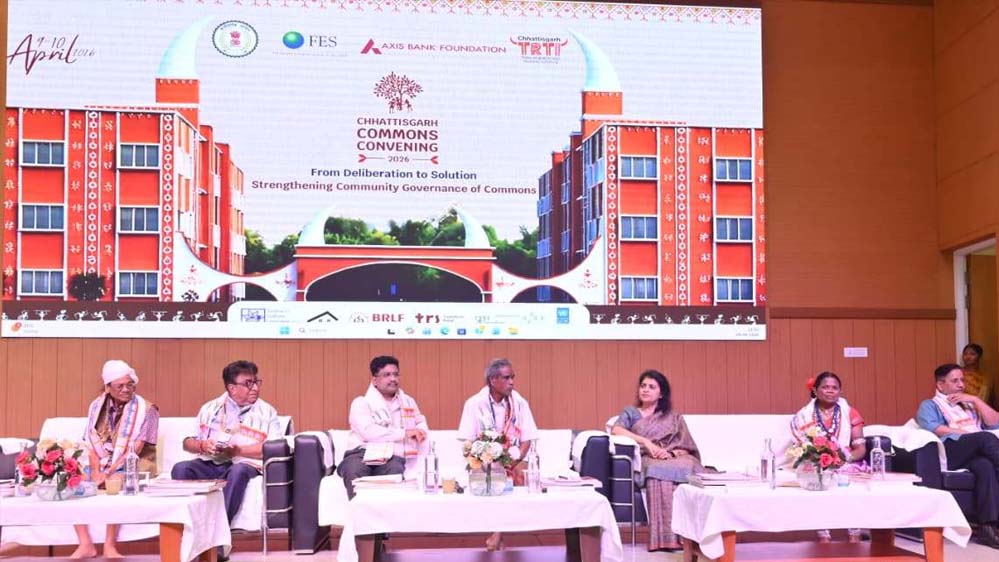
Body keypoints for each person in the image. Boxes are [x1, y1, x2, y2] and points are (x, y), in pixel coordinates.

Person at [172, 360, 282, 526]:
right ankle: (189, 526)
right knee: (181, 468)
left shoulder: (267, 412)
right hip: (212, 462)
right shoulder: (210, 408)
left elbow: (275, 448)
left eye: (256, 382)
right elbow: (187, 443)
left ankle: (220, 530)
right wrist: (202, 446)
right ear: (232, 388)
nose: (255, 388)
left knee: (237, 471)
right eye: (248, 383)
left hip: (246, 463)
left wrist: (238, 451)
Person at [72, 360, 159, 559]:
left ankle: (110, 545)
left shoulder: (149, 410)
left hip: (135, 461)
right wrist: (96, 471)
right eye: (120, 386)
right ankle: (85, 543)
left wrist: (107, 473)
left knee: (115, 481)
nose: (126, 389)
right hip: (103, 462)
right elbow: (91, 444)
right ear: (107, 387)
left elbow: (135, 451)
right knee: (74, 480)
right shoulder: (97, 406)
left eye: (130, 385)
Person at [611, 370, 701, 552]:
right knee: (655, 470)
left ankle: (690, 538)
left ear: (661, 394)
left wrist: (671, 453)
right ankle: (664, 539)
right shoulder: (631, 413)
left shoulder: (674, 417)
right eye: (643, 386)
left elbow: (687, 445)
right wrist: (646, 442)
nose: (645, 390)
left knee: (687, 466)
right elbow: (616, 430)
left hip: (674, 456)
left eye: (651, 387)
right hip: (648, 457)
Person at [457, 358, 539, 551]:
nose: (512, 382)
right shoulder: (475, 403)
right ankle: (498, 535)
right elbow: (467, 441)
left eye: (513, 377)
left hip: (514, 458)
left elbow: (528, 439)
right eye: (507, 378)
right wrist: (485, 457)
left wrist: (515, 460)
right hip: (483, 459)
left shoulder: (519, 403)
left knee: (517, 475)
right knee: (490, 476)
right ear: (493, 380)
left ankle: (496, 534)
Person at [916, 363, 999, 549]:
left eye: (962, 380)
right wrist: (970, 435)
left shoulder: (969, 405)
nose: (961, 384)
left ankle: (988, 528)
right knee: (985, 437)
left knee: (985, 466)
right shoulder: (929, 405)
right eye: (955, 381)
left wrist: (975, 400)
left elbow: (995, 422)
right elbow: (935, 428)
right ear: (940, 385)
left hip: (974, 452)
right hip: (950, 452)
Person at [790, 371, 867, 543]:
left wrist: (843, 459)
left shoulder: (850, 412)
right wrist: (821, 461)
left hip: (846, 462)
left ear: (840, 391)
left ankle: (854, 535)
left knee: (850, 483)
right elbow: (801, 448)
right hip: (815, 463)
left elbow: (860, 448)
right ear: (815, 390)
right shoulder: (804, 415)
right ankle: (823, 536)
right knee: (815, 476)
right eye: (825, 387)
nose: (830, 391)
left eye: (835, 388)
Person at [337, 355, 429, 499]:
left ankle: (386, 513)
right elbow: (369, 433)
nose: (393, 379)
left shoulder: (408, 401)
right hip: (361, 454)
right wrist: (405, 433)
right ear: (374, 380)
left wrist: (421, 431)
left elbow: (420, 421)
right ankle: (359, 512)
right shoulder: (361, 403)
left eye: (396, 374)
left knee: (395, 469)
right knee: (354, 470)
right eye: (387, 375)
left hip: (392, 456)